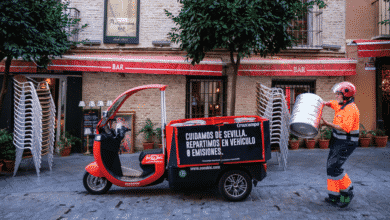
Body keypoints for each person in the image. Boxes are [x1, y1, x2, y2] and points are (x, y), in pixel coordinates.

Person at [320, 81, 360, 208]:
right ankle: (334, 196)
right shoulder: (342, 105)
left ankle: (347, 192)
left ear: (346, 95)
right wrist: (325, 103)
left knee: (335, 168)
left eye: (339, 94)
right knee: (330, 167)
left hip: (347, 142)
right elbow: (333, 104)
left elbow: (344, 128)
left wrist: (327, 124)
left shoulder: (351, 109)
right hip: (338, 141)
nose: (337, 96)